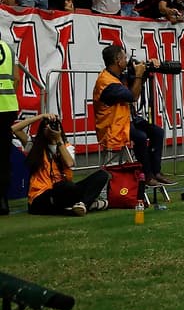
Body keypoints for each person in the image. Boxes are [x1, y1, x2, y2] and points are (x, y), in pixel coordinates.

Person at [92, 45, 171, 187]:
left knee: (157, 132)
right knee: (140, 137)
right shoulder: (107, 83)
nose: (127, 60)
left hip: (126, 120)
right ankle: (147, 175)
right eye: (124, 57)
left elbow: (135, 81)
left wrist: (148, 65)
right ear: (117, 61)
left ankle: (156, 172)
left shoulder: (118, 75)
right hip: (112, 126)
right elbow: (132, 96)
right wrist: (139, 74)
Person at [16, 113, 109, 216]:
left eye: (54, 126)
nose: (51, 129)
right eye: (47, 127)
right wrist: (41, 117)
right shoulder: (34, 146)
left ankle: (82, 204)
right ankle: (87, 205)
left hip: (64, 192)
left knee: (102, 175)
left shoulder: (66, 146)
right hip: (41, 195)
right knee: (65, 186)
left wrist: (58, 140)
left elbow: (69, 163)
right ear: (42, 130)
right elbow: (15, 129)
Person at [0, 34, 18, 215]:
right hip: (8, 106)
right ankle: (3, 200)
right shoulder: (9, 49)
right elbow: (17, 78)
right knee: (4, 156)